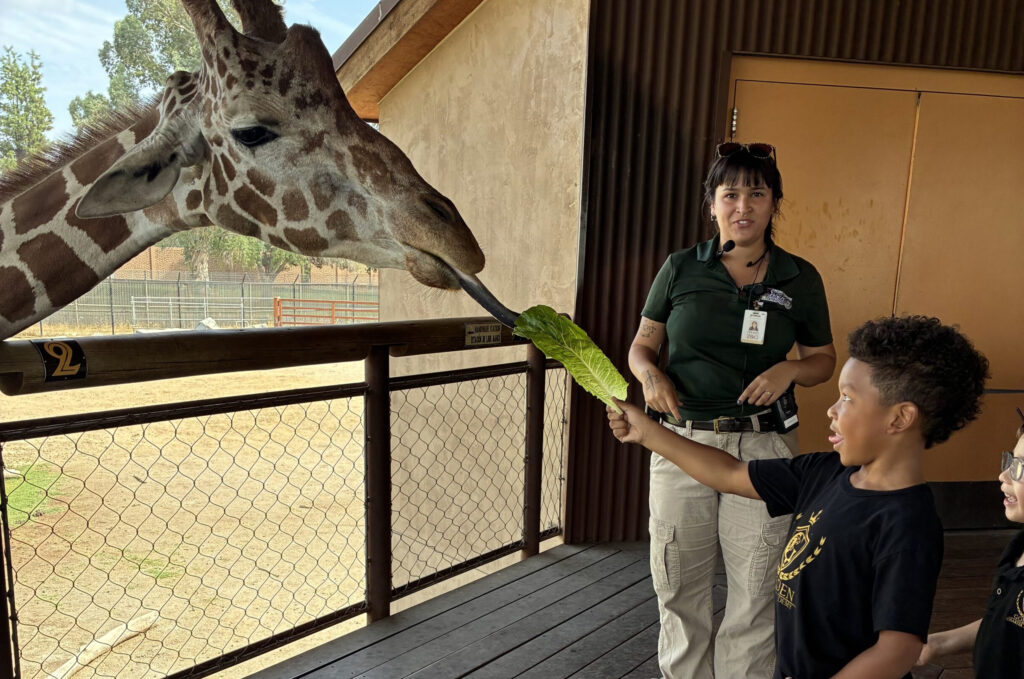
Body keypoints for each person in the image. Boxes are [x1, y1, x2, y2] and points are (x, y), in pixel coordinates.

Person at [611, 315, 990, 679]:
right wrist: (646, 433)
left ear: (899, 418)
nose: (832, 410)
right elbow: (729, 474)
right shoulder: (824, 473)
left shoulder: (907, 525)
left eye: (847, 398)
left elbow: (898, 650)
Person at [628, 141, 836, 678]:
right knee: (677, 586)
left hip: (764, 446)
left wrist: (789, 369)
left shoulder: (799, 277)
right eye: (730, 194)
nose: (742, 205)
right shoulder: (679, 269)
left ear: (774, 204)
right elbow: (641, 347)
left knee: (758, 591)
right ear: (712, 204)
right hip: (682, 444)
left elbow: (823, 362)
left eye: (757, 193)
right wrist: (650, 376)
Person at [914, 419, 1024, 677]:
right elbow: (1005, 620)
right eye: (1011, 461)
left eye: (1020, 468)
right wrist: (938, 644)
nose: (1003, 475)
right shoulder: (1017, 548)